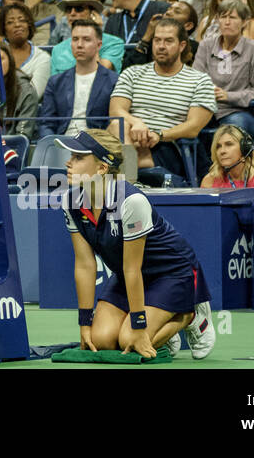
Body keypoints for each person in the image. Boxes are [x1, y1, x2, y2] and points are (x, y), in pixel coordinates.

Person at [63, 129, 215, 360]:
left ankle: (190, 315)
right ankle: (162, 323)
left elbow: (132, 267)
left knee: (128, 340)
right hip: (129, 277)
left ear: (102, 168)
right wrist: (84, 324)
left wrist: (140, 325)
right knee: (101, 340)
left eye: (78, 157)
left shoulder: (131, 201)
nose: (68, 162)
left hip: (172, 273)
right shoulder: (71, 201)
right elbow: (85, 265)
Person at [110, 16, 217, 185]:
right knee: (117, 124)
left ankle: (124, 180)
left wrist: (159, 135)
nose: (161, 46)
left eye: (168, 41)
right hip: (129, 139)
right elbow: (116, 110)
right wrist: (136, 123)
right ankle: (129, 180)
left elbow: (193, 127)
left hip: (168, 145)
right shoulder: (133, 73)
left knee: (101, 161)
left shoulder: (200, 80)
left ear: (182, 45)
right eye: (157, 40)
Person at [192, 0, 254, 142]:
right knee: (181, 124)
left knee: (234, 126)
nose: (227, 22)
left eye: (232, 17)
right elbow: (195, 80)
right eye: (223, 17)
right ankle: (202, 164)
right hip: (206, 109)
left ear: (244, 22)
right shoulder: (206, 45)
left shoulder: (253, 49)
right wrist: (207, 90)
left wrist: (228, 96)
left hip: (239, 111)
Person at [38, 19, 119, 136]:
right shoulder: (56, 82)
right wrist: (51, 143)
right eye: (75, 39)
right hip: (62, 143)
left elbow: (114, 123)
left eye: (86, 39)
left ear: (99, 45)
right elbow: (46, 123)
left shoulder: (114, 81)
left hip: (98, 143)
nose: (79, 45)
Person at [201, 124, 254, 192]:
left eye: (229, 144)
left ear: (244, 149)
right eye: (218, 146)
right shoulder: (209, 182)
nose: (222, 151)